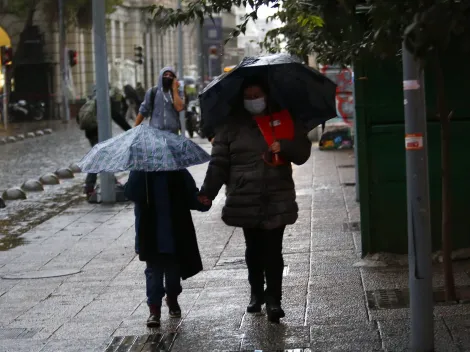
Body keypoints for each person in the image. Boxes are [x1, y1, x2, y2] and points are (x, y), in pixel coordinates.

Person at [197, 77, 312, 323]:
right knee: (253, 249)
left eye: (256, 95)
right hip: (244, 196)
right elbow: (219, 163)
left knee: (273, 251)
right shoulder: (229, 127)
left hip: (276, 195)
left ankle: (274, 301)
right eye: (248, 97)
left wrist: (285, 145)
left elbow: (302, 152)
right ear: (241, 99)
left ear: (266, 95)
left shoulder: (282, 119)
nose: (253, 101)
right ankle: (256, 292)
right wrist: (207, 192)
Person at [124, 169, 210, 327]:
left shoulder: (177, 171)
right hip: (150, 235)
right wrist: (137, 174)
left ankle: (172, 298)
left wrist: (201, 202)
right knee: (154, 276)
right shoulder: (141, 172)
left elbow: (191, 195)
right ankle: (154, 310)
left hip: (175, 234)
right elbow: (130, 193)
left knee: (173, 276)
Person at [82, 84, 132, 199]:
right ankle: (90, 186)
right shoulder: (104, 101)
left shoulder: (91, 100)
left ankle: (110, 181)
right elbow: (117, 117)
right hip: (99, 134)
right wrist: (130, 130)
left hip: (90, 133)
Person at [134, 67, 184, 133]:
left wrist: (175, 89)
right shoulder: (152, 92)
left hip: (173, 134)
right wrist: (134, 129)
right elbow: (143, 111)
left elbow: (179, 107)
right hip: (155, 133)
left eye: (171, 75)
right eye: (165, 74)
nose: (168, 77)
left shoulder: (177, 92)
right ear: (161, 76)